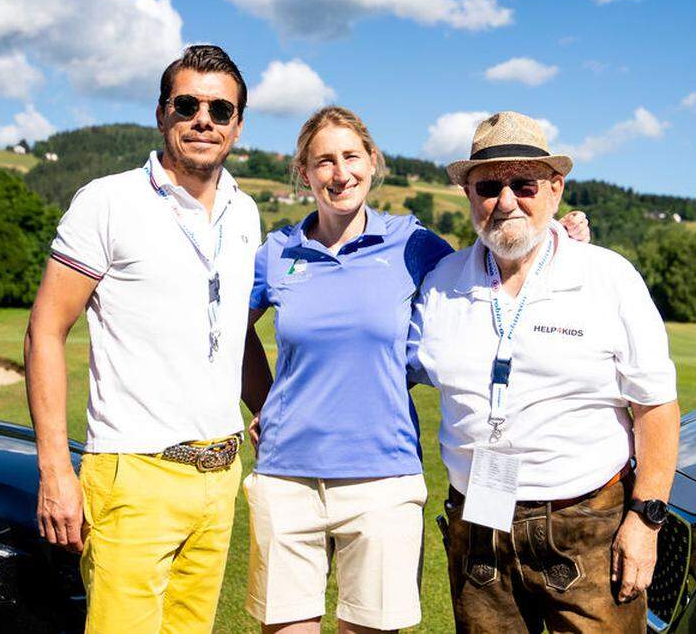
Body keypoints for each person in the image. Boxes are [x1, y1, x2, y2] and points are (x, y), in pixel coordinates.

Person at [408, 111, 680, 633]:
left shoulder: (609, 277)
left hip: (587, 526)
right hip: (479, 524)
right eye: (489, 186)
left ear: (555, 190)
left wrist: (646, 521)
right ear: (469, 195)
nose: (505, 201)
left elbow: (656, 408)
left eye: (523, 184)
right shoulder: (442, 283)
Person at [24, 45, 260, 633]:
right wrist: (55, 469)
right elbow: (45, 331)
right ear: (162, 114)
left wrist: (271, 407)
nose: (203, 119)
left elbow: (234, 328)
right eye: (187, 104)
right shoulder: (108, 201)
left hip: (219, 474)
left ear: (237, 124)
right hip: (134, 474)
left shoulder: (246, 210)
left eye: (220, 109)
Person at [241, 106, 454, 633]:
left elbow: (488, 276)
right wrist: (265, 402)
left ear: (374, 161)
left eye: (351, 156)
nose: (340, 173)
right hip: (288, 476)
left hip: (383, 478)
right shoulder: (278, 252)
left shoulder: (414, 243)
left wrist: (556, 243)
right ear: (304, 173)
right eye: (324, 162)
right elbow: (229, 332)